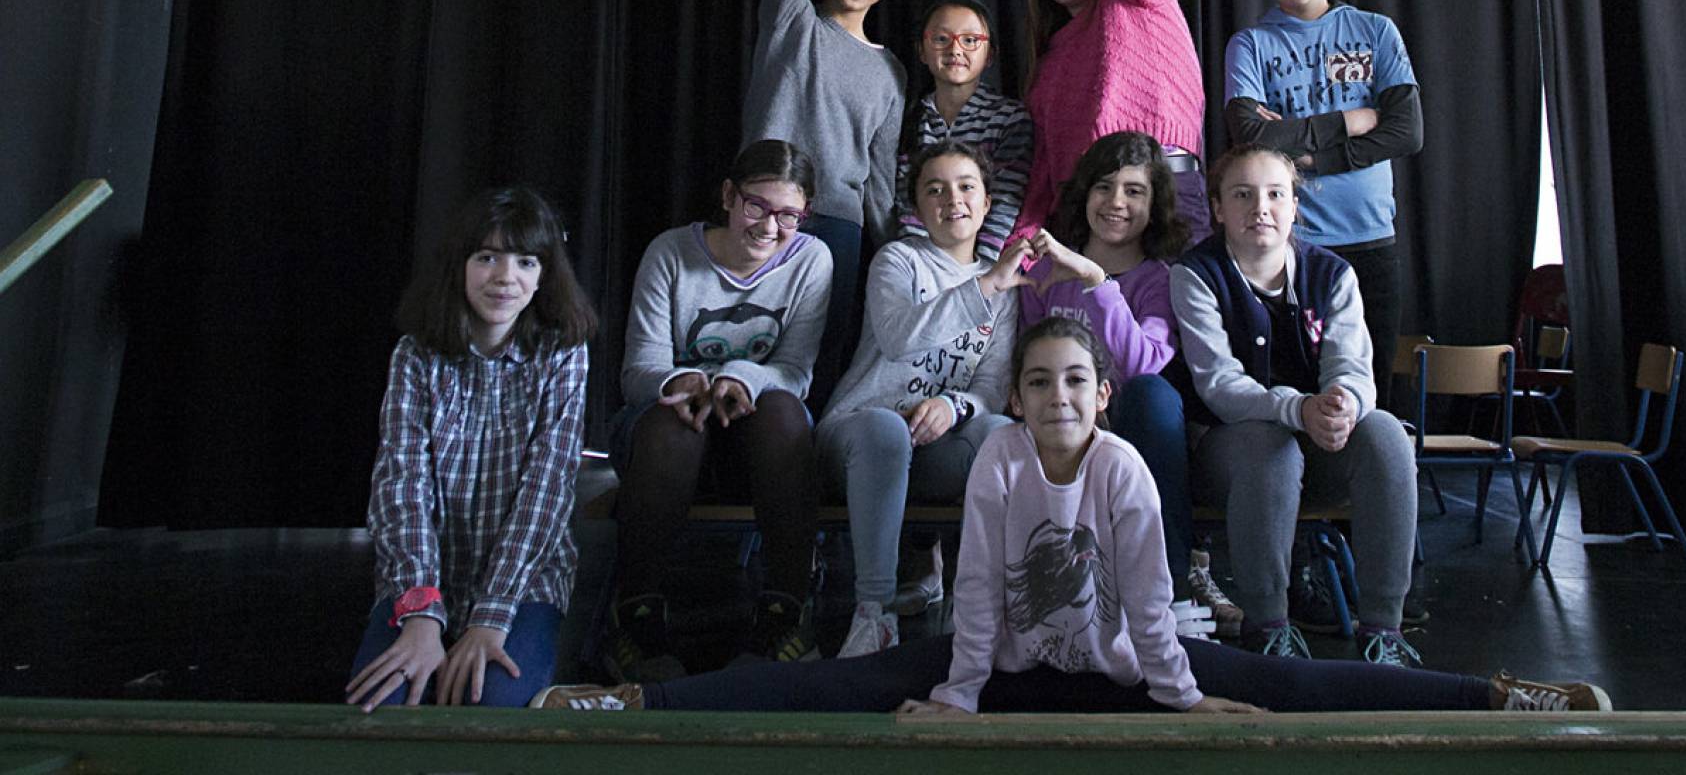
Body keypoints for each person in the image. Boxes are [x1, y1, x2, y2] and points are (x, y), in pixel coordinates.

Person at [532, 318, 1609, 715]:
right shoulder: (1001, 461)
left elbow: (1149, 604)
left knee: (1292, 688)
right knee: (834, 687)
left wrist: (1182, 698)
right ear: (1016, 397)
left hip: (1127, 669)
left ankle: (1495, 695)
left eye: (1075, 382)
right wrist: (958, 695)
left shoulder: (1126, 468)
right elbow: (979, 594)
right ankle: (628, 702)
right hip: (1002, 666)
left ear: (1103, 395)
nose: (1056, 397)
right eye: (1038, 381)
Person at [345, 186, 600, 712]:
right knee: (385, 706)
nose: (505, 277)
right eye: (487, 257)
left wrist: (492, 616)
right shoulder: (415, 355)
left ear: (545, 274)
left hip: (523, 582)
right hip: (425, 575)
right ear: (460, 265)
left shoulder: (562, 353)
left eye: (526, 261)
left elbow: (546, 492)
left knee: (493, 705)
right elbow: (401, 487)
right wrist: (420, 613)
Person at [1169, 144, 1420, 665]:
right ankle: (1268, 626)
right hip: (1231, 453)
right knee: (1272, 448)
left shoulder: (1333, 274)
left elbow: (1354, 369)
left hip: (1319, 445)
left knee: (1386, 432)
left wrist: (1344, 403)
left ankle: (1383, 629)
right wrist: (1298, 409)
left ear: (1294, 207)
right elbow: (1219, 385)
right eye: (1242, 195)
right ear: (1218, 208)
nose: (1260, 208)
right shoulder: (1195, 274)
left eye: (1275, 195)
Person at [607, 140, 833, 681]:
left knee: (783, 416)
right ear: (729, 197)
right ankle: (636, 617)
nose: (769, 227)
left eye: (788, 215)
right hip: (666, 434)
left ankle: (785, 611)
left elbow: (796, 372)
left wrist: (740, 377)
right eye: (757, 206)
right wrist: (681, 382)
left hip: (753, 432)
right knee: (672, 425)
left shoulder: (811, 260)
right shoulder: (670, 254)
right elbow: (637, 372)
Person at [743, 0, 967, 409]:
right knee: (749, 343)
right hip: (761, 212)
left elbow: (880, 178)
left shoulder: (891, 71)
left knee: (817, 364)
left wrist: (899, 252)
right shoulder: (791, 21)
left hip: (838, 228)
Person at [1016, 131, 1241, 638]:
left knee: (1152, 395)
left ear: (1154, 204)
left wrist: (1097, 282)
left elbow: (1142, 364)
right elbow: (1026, 361)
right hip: (1058, 425)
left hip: (1134, 431)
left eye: (1134, 191)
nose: (1116, 202)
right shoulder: (1046, 273)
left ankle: (1173, 591)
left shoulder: (1160, 280)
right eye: (1104, 186)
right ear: (1084, 194)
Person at [815, 140, 1022, 657]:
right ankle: (874, 614)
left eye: (966, 186)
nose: (953, 199)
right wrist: (986, 286)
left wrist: (955, 406)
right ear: (918, 207)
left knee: (1000, 434)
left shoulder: (1004, 289)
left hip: (934, 449)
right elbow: (899, 337)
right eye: (936, 189)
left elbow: (992, 386)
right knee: (886, 429)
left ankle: (974, 610)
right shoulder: (899, 260)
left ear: (986, 202)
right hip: (861, 436)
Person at [1222, 0, 1423, 398]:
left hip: (1371, 240)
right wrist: (1347, 122)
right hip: (1291, 246)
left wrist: (1314, 156)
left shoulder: (1374, 31)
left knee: (1370, 395)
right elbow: (1250, 135)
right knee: (1299, 393)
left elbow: (1405, 132)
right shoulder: (1251, 45)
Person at [949, 0, 1208, 243]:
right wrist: (1021, 245)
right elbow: (1043, 172)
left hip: (1164, 184)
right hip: (1090, 215)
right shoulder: (1048, 64)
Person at [892, 0, 1034, 264]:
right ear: (922, 50)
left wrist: (982, 269)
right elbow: (907, 202)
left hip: (984, 264)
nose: (955, 50)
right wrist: (922, 266)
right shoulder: (909, 118)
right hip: (917, 262)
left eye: (970, 40)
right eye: (941, 39)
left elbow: (1005, 202)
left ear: (990, 55)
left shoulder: (1010, 118)